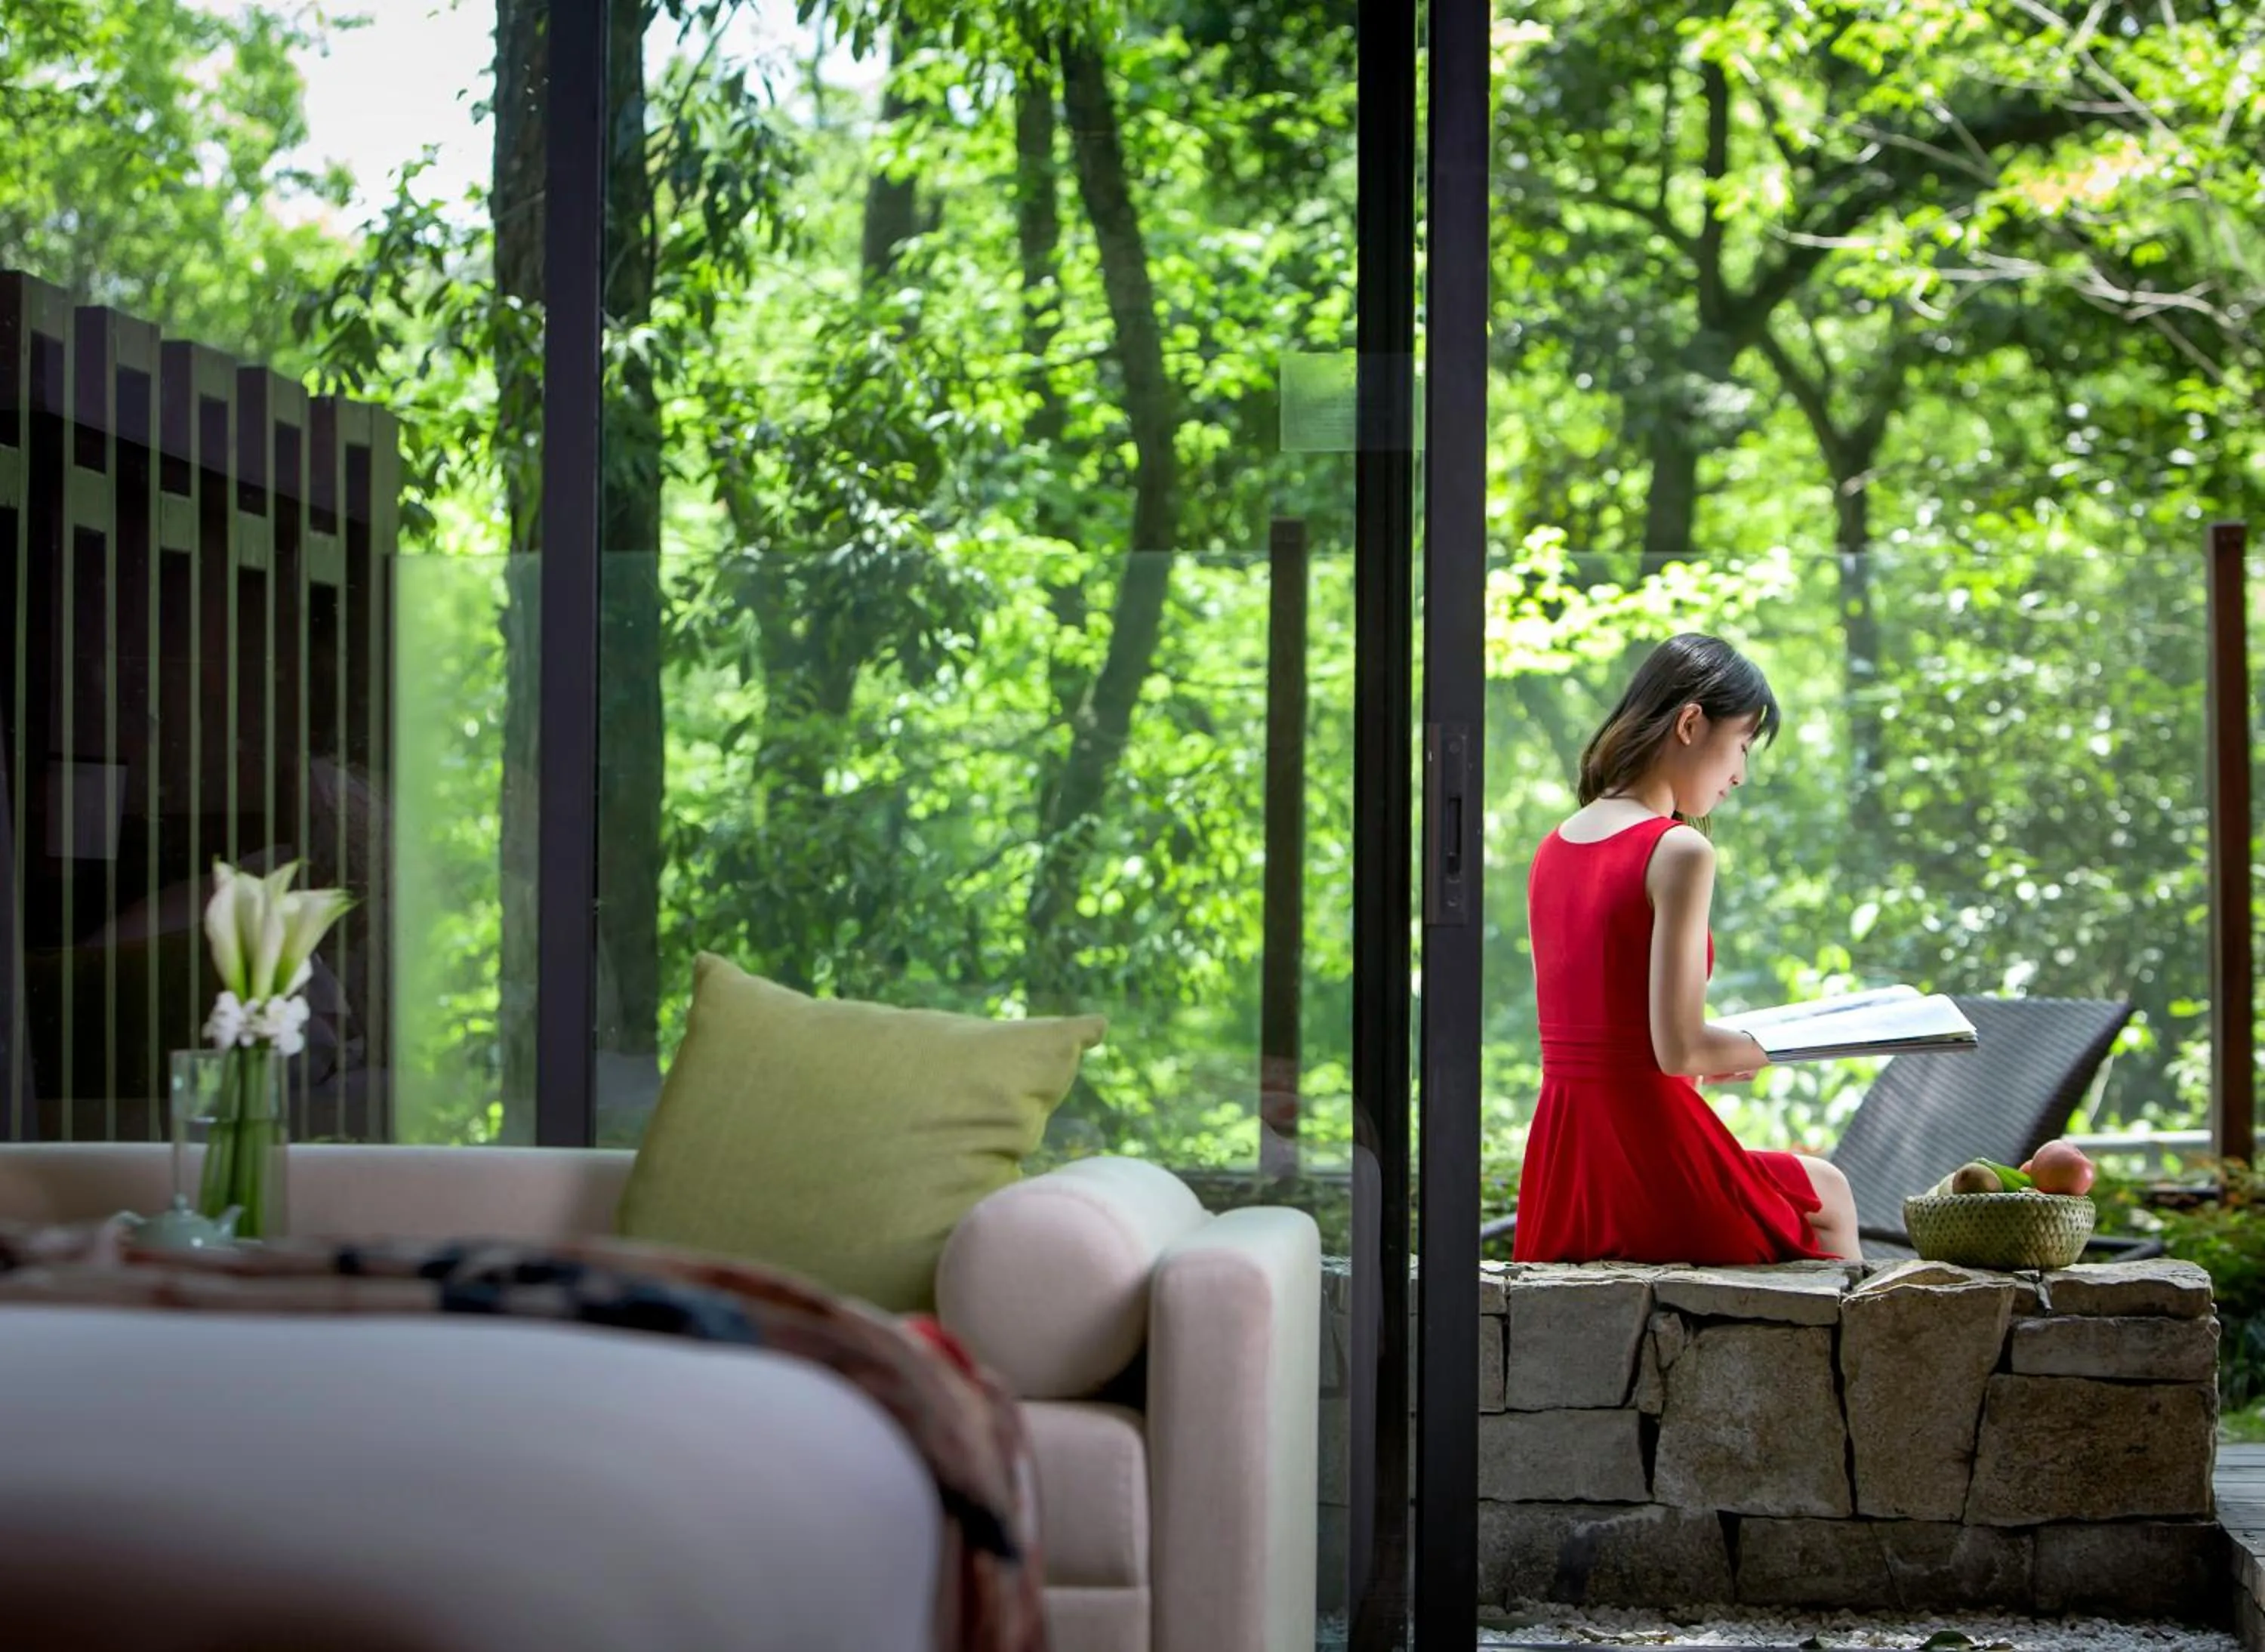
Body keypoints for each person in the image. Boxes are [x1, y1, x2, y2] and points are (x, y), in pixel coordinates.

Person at [1512, 633, 1862, 1263]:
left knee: (1819, 1186)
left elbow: (1612, 1038)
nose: (1740, 774)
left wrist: (1711, 1059)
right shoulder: (1679, 850)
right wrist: (1791, 1043)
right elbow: (1679, 1051)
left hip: (1567, 1161)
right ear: (1691, 723)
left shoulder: (1553, 848)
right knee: (1829, 1192)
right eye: (1743, 744)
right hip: (1649, 1160)